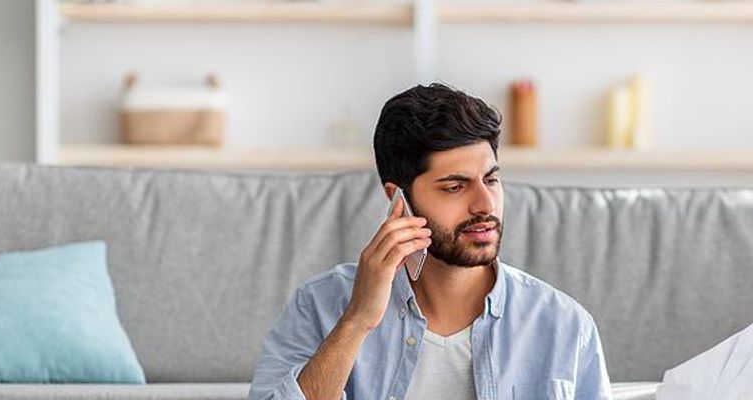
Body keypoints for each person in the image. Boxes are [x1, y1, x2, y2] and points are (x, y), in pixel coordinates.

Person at [247, 83, 612, 400]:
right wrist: (357, 320)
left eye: (491, 180)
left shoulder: (564, 326)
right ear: (398, 199)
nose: (485, 204)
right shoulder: (320, 306)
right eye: (454, 187)